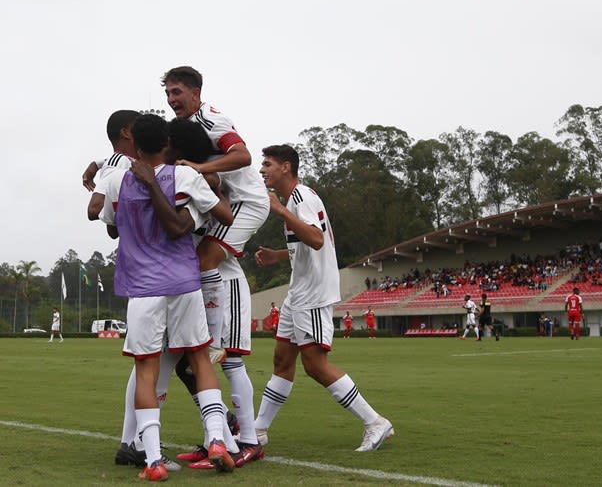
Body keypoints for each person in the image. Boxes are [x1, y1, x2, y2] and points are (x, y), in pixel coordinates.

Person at [96, 114, 237, 479]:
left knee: (146, 370)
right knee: (201, 361)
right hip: (184, 283)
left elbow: (111, 227)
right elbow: (221, 214)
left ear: (134, 145)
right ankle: (218, 440)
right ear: (168, 143)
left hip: (142, 288)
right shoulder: (186, 176)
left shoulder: (116, 180)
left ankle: (154, 461)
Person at [253, 144, 393, 452]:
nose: (262, 169)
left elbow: (316, 239)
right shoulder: (299, 198)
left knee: (315, 365)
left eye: (267, 164)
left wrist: (278, 210)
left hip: (313, 294)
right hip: (298, 292)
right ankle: (258, 430)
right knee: (281, 360)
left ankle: (375, 422)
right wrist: (278, 255)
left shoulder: (299, 198)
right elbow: (310, 243)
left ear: (286, 167)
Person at [162, 66, 269, 363]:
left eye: (177, 92)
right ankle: (229, 340)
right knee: (223, 268)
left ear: (195, 93)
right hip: (225, 202)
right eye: (168, 93)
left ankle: (213, 340)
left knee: (205, 259)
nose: (171, 99)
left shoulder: (212, 120)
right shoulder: (184, 124)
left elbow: (243, 155)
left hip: (245, 202)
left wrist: (199, 169)